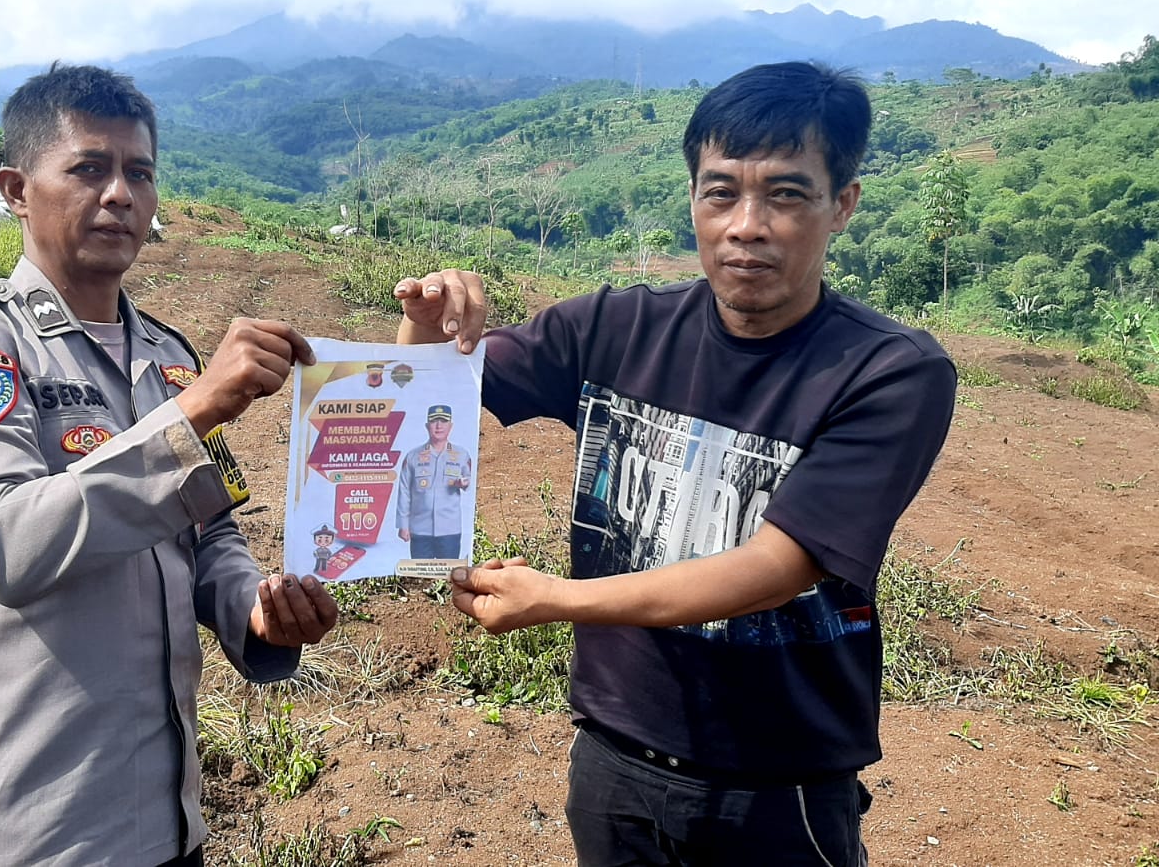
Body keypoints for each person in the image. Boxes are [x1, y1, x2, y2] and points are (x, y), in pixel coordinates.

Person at [393, 61, 957, 866]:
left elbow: (777, 568)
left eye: (786, 194)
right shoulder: (614, 327)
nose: (746, 225)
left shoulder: (889, 372)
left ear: (843, 205)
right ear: (693, 198)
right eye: (720, 192)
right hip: (613, 756)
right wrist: (427, 324)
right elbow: (428, 399)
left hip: (778, 784)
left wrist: (555, 598)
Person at [0, 63, 338, 867]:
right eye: (89, 168)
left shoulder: (168, 356)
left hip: (166, 827)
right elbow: (2, 544)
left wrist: (254, 610)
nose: (121, 194)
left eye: (140, 172)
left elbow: (211, 533)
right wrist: (193, 414)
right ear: (17, 190)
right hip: (31, 832)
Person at [394, 404, 474, 559]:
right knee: (420, 573)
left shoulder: (462, 455)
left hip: (449, 529)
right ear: (427, 426)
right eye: (434, 421)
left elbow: (469, 479)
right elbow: (404, 491)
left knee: (450, 572)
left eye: (443, 421)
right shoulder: (413, 456)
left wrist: (464, 483)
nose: (438, 426)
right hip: (420, 529)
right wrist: (403, 525)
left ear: (450, 426)